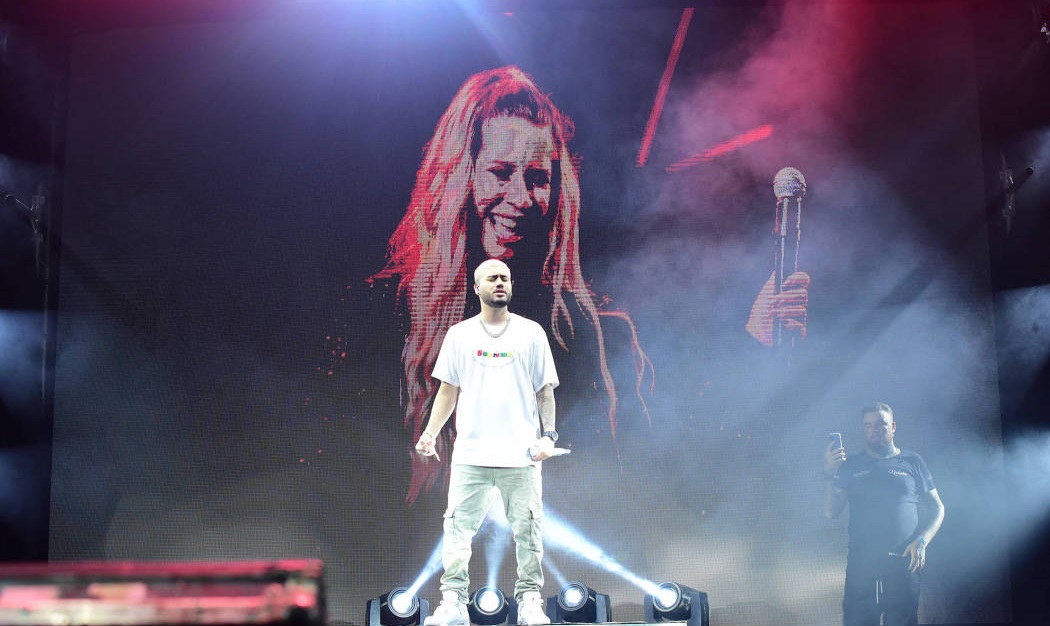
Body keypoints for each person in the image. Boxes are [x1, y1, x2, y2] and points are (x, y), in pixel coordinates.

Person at [414, 258, 558, 626]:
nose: (500, 282)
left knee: (528, 531)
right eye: (492, 278)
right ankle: (454, 603)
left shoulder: (531, 333)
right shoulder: (460, 335)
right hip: (472, 456)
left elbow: (545, 391)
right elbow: (448, 390)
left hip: (521, 456)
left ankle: (529, 601)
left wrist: (549, 435)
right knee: (457, 531)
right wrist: (430, 433)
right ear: (476, 288)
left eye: (506, 278)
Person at [823, 402, 946, 626]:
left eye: (881, 424)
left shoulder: (912, 461)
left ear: (893, 427)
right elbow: (831, 511)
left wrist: (922, 541)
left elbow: (938, 507)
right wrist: (832, 474)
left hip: (903, 565)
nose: (874, 430)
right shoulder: (850, 465)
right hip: (862, 568)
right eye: (868, 426)